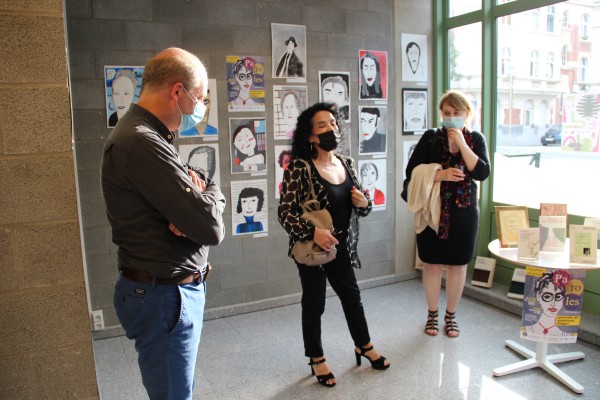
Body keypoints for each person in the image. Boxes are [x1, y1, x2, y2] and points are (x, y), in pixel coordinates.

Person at [100, 47, 226, 400]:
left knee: (175, 388)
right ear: (177, 92)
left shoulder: (151, 135)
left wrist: (205, 197)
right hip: (163, 296)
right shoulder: (140, 141)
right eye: (198, 99)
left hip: (167, 291)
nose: (198, 109)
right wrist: (204, 205)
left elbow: (203, 192)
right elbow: (211, 228)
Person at [278, 102, 390, 388]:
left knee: (352, 296)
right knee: (314, 304)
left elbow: (361, 204)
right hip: (312, 247)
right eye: (322, 125)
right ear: (310, 136)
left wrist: (365, 203)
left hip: (341, 246)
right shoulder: (299, 168)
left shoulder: (346, 163)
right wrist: (313, 232)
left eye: (333, 123)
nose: (331, 128)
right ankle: (316, 358)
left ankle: (363, 345)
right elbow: (285, 213)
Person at [401, 89, 490, 338]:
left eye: (457, 113)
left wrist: (461, 143)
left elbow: (481, 172)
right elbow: (412, 172)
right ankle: (432, 313)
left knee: (457, 267)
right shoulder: (431, 138)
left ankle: (451, 316)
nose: (451, 117)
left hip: (463, 214)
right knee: (430, 265)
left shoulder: (476, 139)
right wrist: (439, 175)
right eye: (447, 113)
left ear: (467, 114)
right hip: (432, 212)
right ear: (441, 113)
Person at [525, 271, 569, 336]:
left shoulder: (566, 335)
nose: (553, 303)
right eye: (547, 297)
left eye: (558, 296)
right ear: (538, 296)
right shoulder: (527, 329)